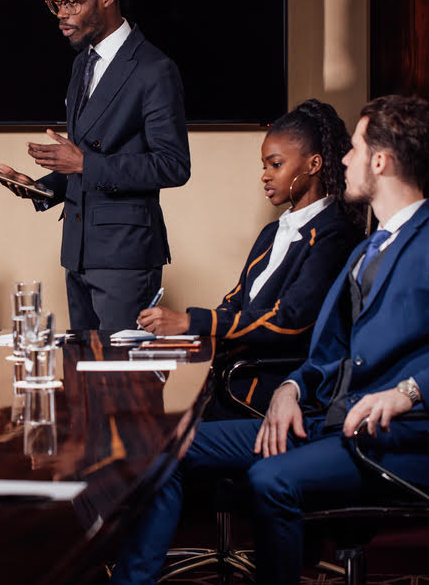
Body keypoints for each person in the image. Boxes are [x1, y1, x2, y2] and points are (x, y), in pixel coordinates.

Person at [110, 95, 429, 584]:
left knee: (270, 478)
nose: (345, 159)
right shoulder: (371, 246)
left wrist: (408, 392)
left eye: (353, 148)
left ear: (381, 160)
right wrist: (291, 389)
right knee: (167, 446)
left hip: (399, 442)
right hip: (329, 422)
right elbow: (328, 352)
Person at [0, 0, 190, 330]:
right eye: (56, 5)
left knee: (121, 382)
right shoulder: (81, 64)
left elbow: (173, 165)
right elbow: (82, 163)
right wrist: (40, 187)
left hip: (126, 257)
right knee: (84, 376)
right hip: (78, 252)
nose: (61, 16)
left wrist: (85, 162)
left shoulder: (154, 69)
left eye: (70, 3)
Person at [138, 99, 363, 412]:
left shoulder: (334, 235)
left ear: (313, 164)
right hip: (230, 379)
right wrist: (186, 335)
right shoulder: (272, 233)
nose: (265, 176)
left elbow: (289, 322)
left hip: (268, 387)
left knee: (161, 430)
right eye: (264, 166)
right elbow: (235, 301)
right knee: (141, 405)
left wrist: (191, 320)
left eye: (276, 165)